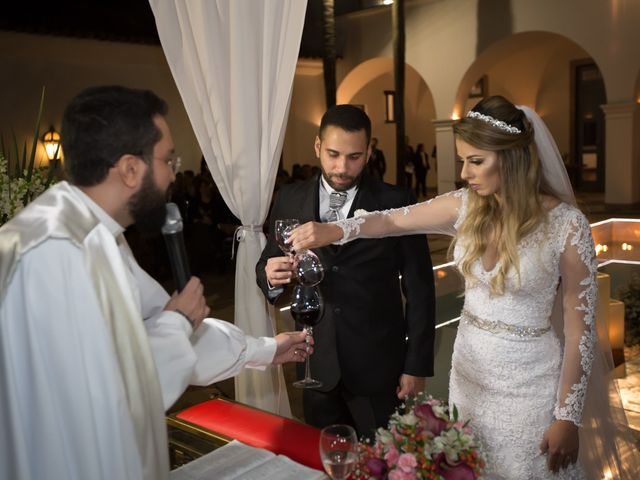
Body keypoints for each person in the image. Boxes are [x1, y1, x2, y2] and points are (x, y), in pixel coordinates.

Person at [288, 96, 640, 478]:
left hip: (531, 384)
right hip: (469, 375)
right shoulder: (465, 205)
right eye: (462, 161)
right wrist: (335, 230)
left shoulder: (568, 226)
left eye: (476, 161)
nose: (465, 172)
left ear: (512, 157)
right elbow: (389, 222)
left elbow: (580, 333)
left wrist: (568, 416)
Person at [0, 85, 310, 480]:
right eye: (168, 159)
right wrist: (178, 322)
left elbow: (158, 325)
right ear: (130, 169)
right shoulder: (54, 252)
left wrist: (265, 348)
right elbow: (110, 394)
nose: (173, 173)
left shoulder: (96, 233)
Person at [256, 104, 436, 439]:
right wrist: (270, 275)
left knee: (384, 465)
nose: (342, 167)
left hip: (379, 368)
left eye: (354, 156)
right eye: (334, 154)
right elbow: (267, 262)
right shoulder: (290, 198)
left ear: (369, 151)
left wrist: (416, 366)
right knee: (323, 462)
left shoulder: (396, 201)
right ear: (317, 147)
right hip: (315, 366)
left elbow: (421, 289)